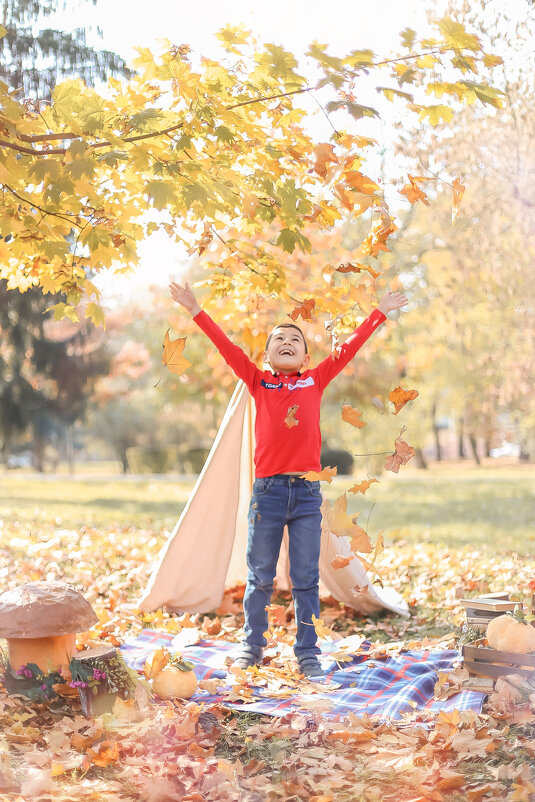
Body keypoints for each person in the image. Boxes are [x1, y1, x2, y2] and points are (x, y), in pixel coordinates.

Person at [169, 280, 408, 677]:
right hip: (268, 494)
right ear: (266, 355)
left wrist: (379, 312)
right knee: (260, 576)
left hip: (307, 496)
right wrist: (195, 308)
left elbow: (348, 349)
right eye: (278, 339)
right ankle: (252, 646)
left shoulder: (315, 379)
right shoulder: (258, 382)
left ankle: (308, 653)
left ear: (305, 355)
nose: (285, 342)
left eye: (293, 339)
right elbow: (225, 347)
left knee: (305, 579)